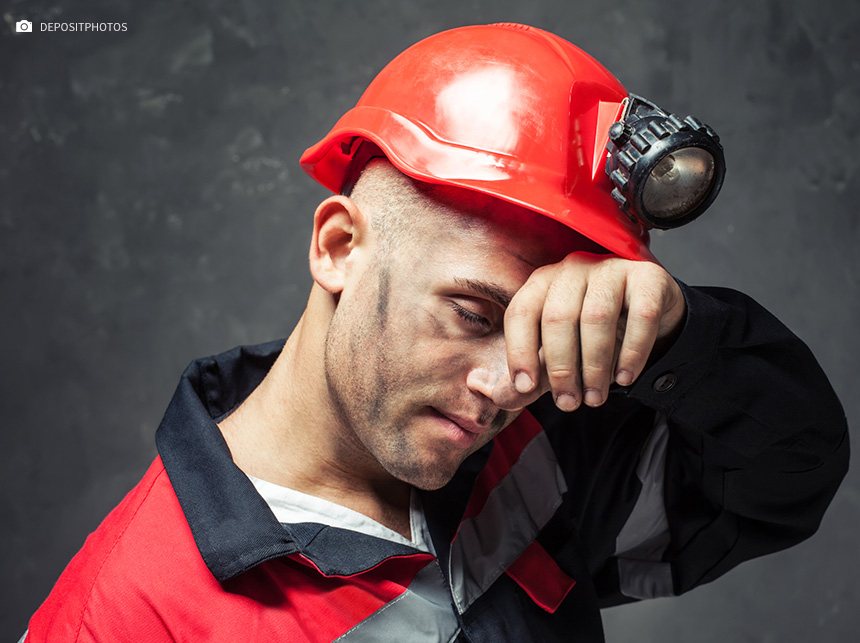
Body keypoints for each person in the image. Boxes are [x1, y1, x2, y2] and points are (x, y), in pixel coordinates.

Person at [23, 23, 848, 643]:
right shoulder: (124, 613)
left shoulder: (537, 444)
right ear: (338, 246)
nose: (505, 385)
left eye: (535, 323)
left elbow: (788, 473)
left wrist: (676, 336)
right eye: (474, 314)